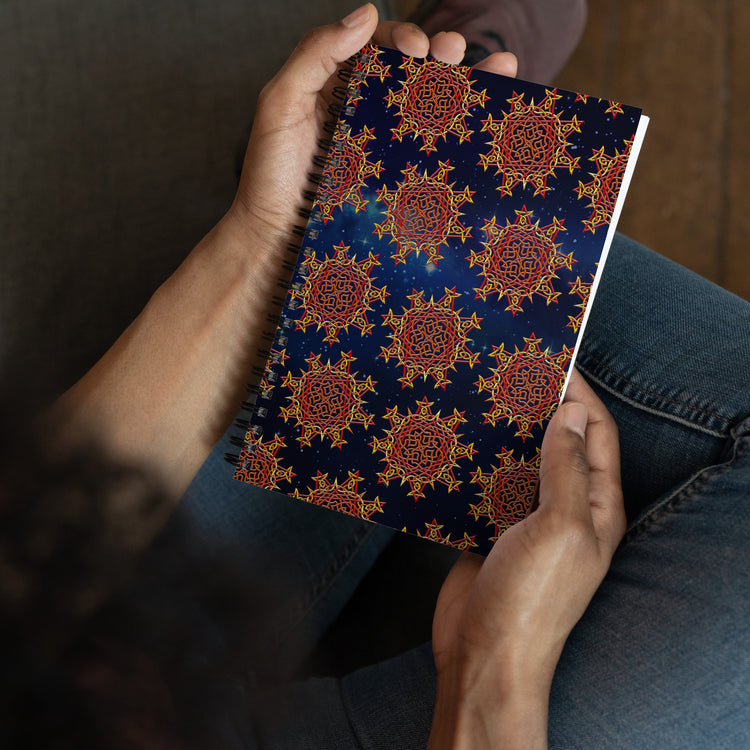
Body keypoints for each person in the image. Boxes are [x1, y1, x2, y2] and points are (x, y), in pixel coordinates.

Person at [5, 3, 749, 748]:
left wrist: (261, 241)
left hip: (69, 676)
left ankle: (382, 167)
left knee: (355, 273)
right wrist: (492, 674)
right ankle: (420, 152)